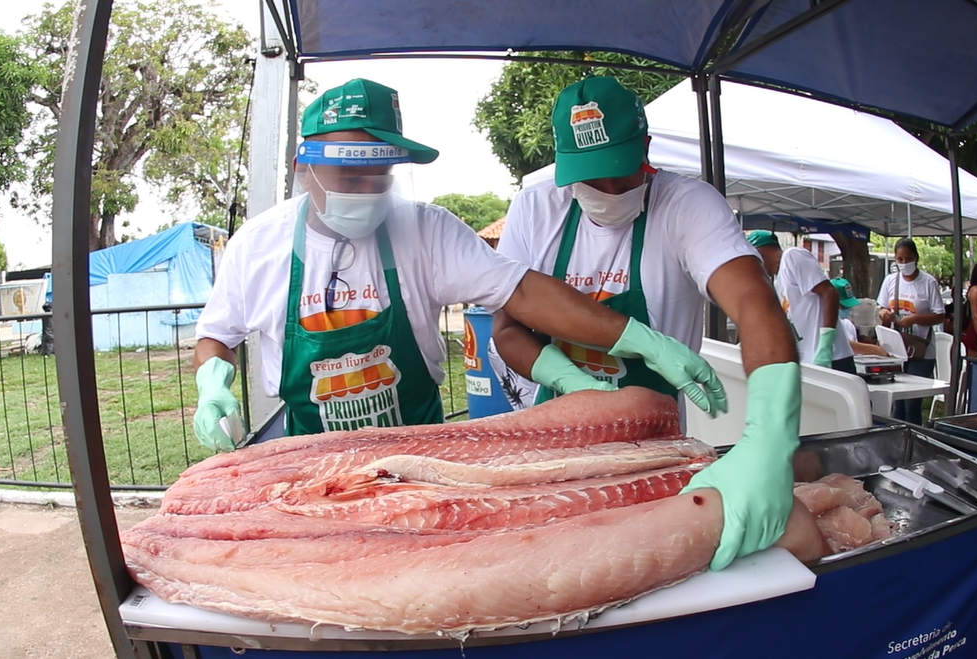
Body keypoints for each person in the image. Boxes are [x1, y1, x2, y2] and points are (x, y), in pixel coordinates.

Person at [191, 78, 723, 448]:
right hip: (310, 453)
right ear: (302, 167)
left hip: (425, 451)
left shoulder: (425, 228)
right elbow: (218, 334)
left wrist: (645, 342)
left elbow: (522, 293)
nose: (369, 192)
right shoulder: (256, 247)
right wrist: (212, 386)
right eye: (350, 178)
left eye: (381, 178)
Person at [493, 76, 801, 571]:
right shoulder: (536, 209)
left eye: (622, 171)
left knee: (647, 562)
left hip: (654, 445)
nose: (610, 190)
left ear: (646, 149)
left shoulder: (686, 205)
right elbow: (507, 329)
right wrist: (569, 381)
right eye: (592, 178)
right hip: (555, 431)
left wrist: (770, 440)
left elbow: (753, 301)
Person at [748, 231, 855, 373]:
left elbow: (830, 293)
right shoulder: (778, 282)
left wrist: (826, 345)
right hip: (810, 361)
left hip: (833, 358)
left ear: (758, 252)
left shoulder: (792, 256)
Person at [875, 237, 946, 423]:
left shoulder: (928, 282)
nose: (904, 263)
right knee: (897, 401)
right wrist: (884, 313)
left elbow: (940, 315)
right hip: (897, 349)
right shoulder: (890, 281)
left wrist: (915, 319)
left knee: (912, 403)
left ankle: (914, 438)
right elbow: (881, 307)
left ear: (916, 258)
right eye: (900, 259)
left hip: (920, 350)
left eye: (908, 259)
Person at [830, 277, 889, 357]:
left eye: (849, 306)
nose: (847, 310)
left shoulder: (848, 325)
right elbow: (844, 345)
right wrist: (874, 350)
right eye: (843, 306)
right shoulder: (822, 324)